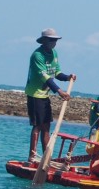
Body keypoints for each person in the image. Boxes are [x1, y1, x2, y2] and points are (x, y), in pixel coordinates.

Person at [25, 28, 76, 162]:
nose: (54, 43)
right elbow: (46, 77)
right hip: (35, 94)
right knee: (37, 125)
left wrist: (67, 77)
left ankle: (46, 157)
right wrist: (59, 91)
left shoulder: (54, 53)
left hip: (45, 95)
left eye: (55, 40)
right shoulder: (37, 56)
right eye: (51, 40)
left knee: (46, 126)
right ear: (44, 41)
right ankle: (32, 156)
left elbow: (56, 73)